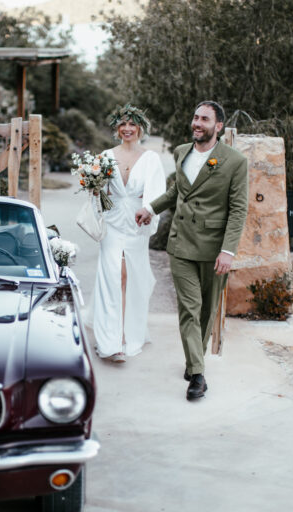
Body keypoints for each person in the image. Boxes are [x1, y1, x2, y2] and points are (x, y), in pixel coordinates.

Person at [135, 101, 248, 399]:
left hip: (214, 249)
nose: (197, 123)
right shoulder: (181, 151)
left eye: (205, 119)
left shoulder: (235, 161)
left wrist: (228, 250)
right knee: (189, 308)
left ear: (218, 126)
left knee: (207, 311)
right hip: (181, 243)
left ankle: (194, 360)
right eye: (196, 117)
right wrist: (150, 208)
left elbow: (238, 209)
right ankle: (198, 374)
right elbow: (178, 191)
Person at [91, 104, 166, 363]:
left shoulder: (151, 158)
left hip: (137, 223)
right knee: (113, 275)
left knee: (132, 277)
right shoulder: (105, 156)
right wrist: (93, 187)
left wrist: (149, 211)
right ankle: (112, 340)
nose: (127, 128)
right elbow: (98, 192)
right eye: (122, 124)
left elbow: (157, 193)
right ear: (117, 128)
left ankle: (128, 330)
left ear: (140, 128)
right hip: (112, 223)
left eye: (132, 124)